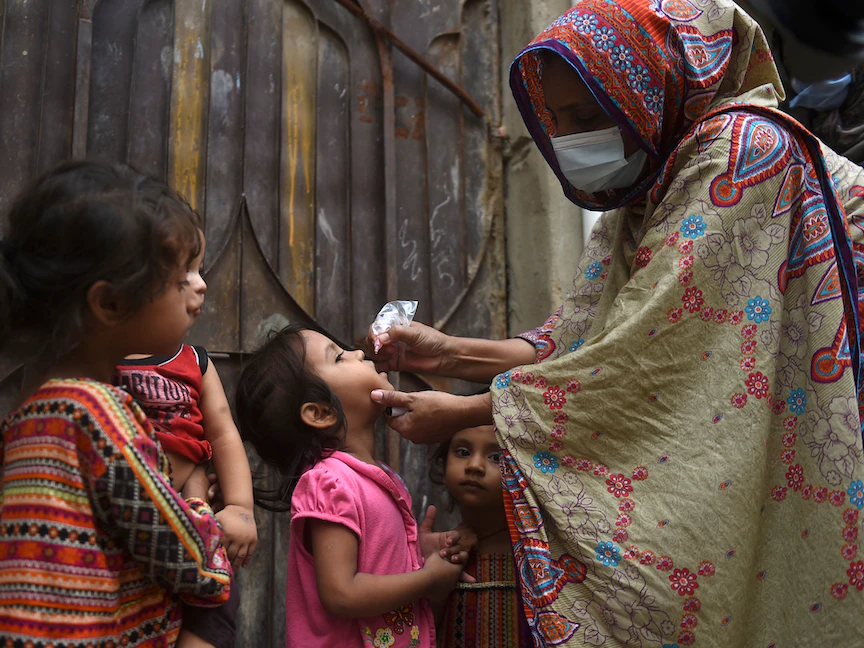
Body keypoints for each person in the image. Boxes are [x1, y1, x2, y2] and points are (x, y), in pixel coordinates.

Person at [368, 0, 864, 645]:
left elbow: (643, 357)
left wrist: (462, 415)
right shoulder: (643, 192)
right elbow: (579, 340)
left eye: (588, 118)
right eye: (562, 122)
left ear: (644, 92)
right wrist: (447, 356)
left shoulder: (742, 152)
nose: (574, 141)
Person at [0, 160, 232, 646]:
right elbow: (190, 562)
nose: (201, 285)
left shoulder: (24, 420)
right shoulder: (99, 413)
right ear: (109, 305)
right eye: (181, 277)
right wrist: (205, 514)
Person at [234, 324, 475, 647]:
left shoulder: (373, 476)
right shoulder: (329, 482)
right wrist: (427, 578)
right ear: (320, 413)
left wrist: (417, 553)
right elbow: (342, 593)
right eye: (338, 358)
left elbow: (372, 566)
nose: (358, 352)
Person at [113, 237, 255, 648]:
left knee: (216, 602)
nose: (203, 284)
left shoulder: (195, 361)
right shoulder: (104, 362)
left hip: (195, 520)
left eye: (202, 270)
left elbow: (225, 433)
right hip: (133, 520)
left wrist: (241, 508)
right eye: (186, 274)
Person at [431, 424, 531, 647]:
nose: (474, 466)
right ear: (443, 465)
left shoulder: (536, 557)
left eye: (497, 457)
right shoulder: (440, 553)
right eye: (463, 452)